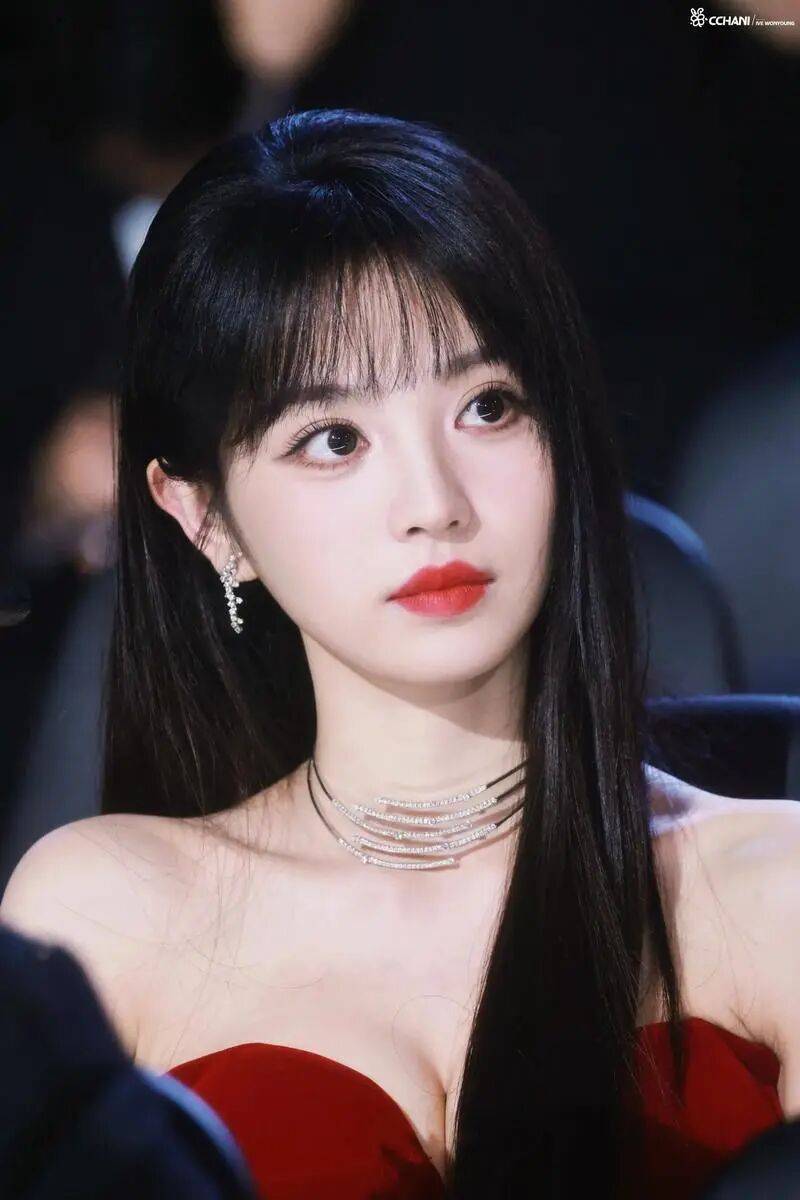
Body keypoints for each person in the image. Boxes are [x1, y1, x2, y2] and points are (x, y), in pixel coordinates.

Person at [1, 108, 798, 1199]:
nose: (433, 502)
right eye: (332, 439)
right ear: (204, 518)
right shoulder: (102, 913)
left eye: (487, 406)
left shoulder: (769, 886)